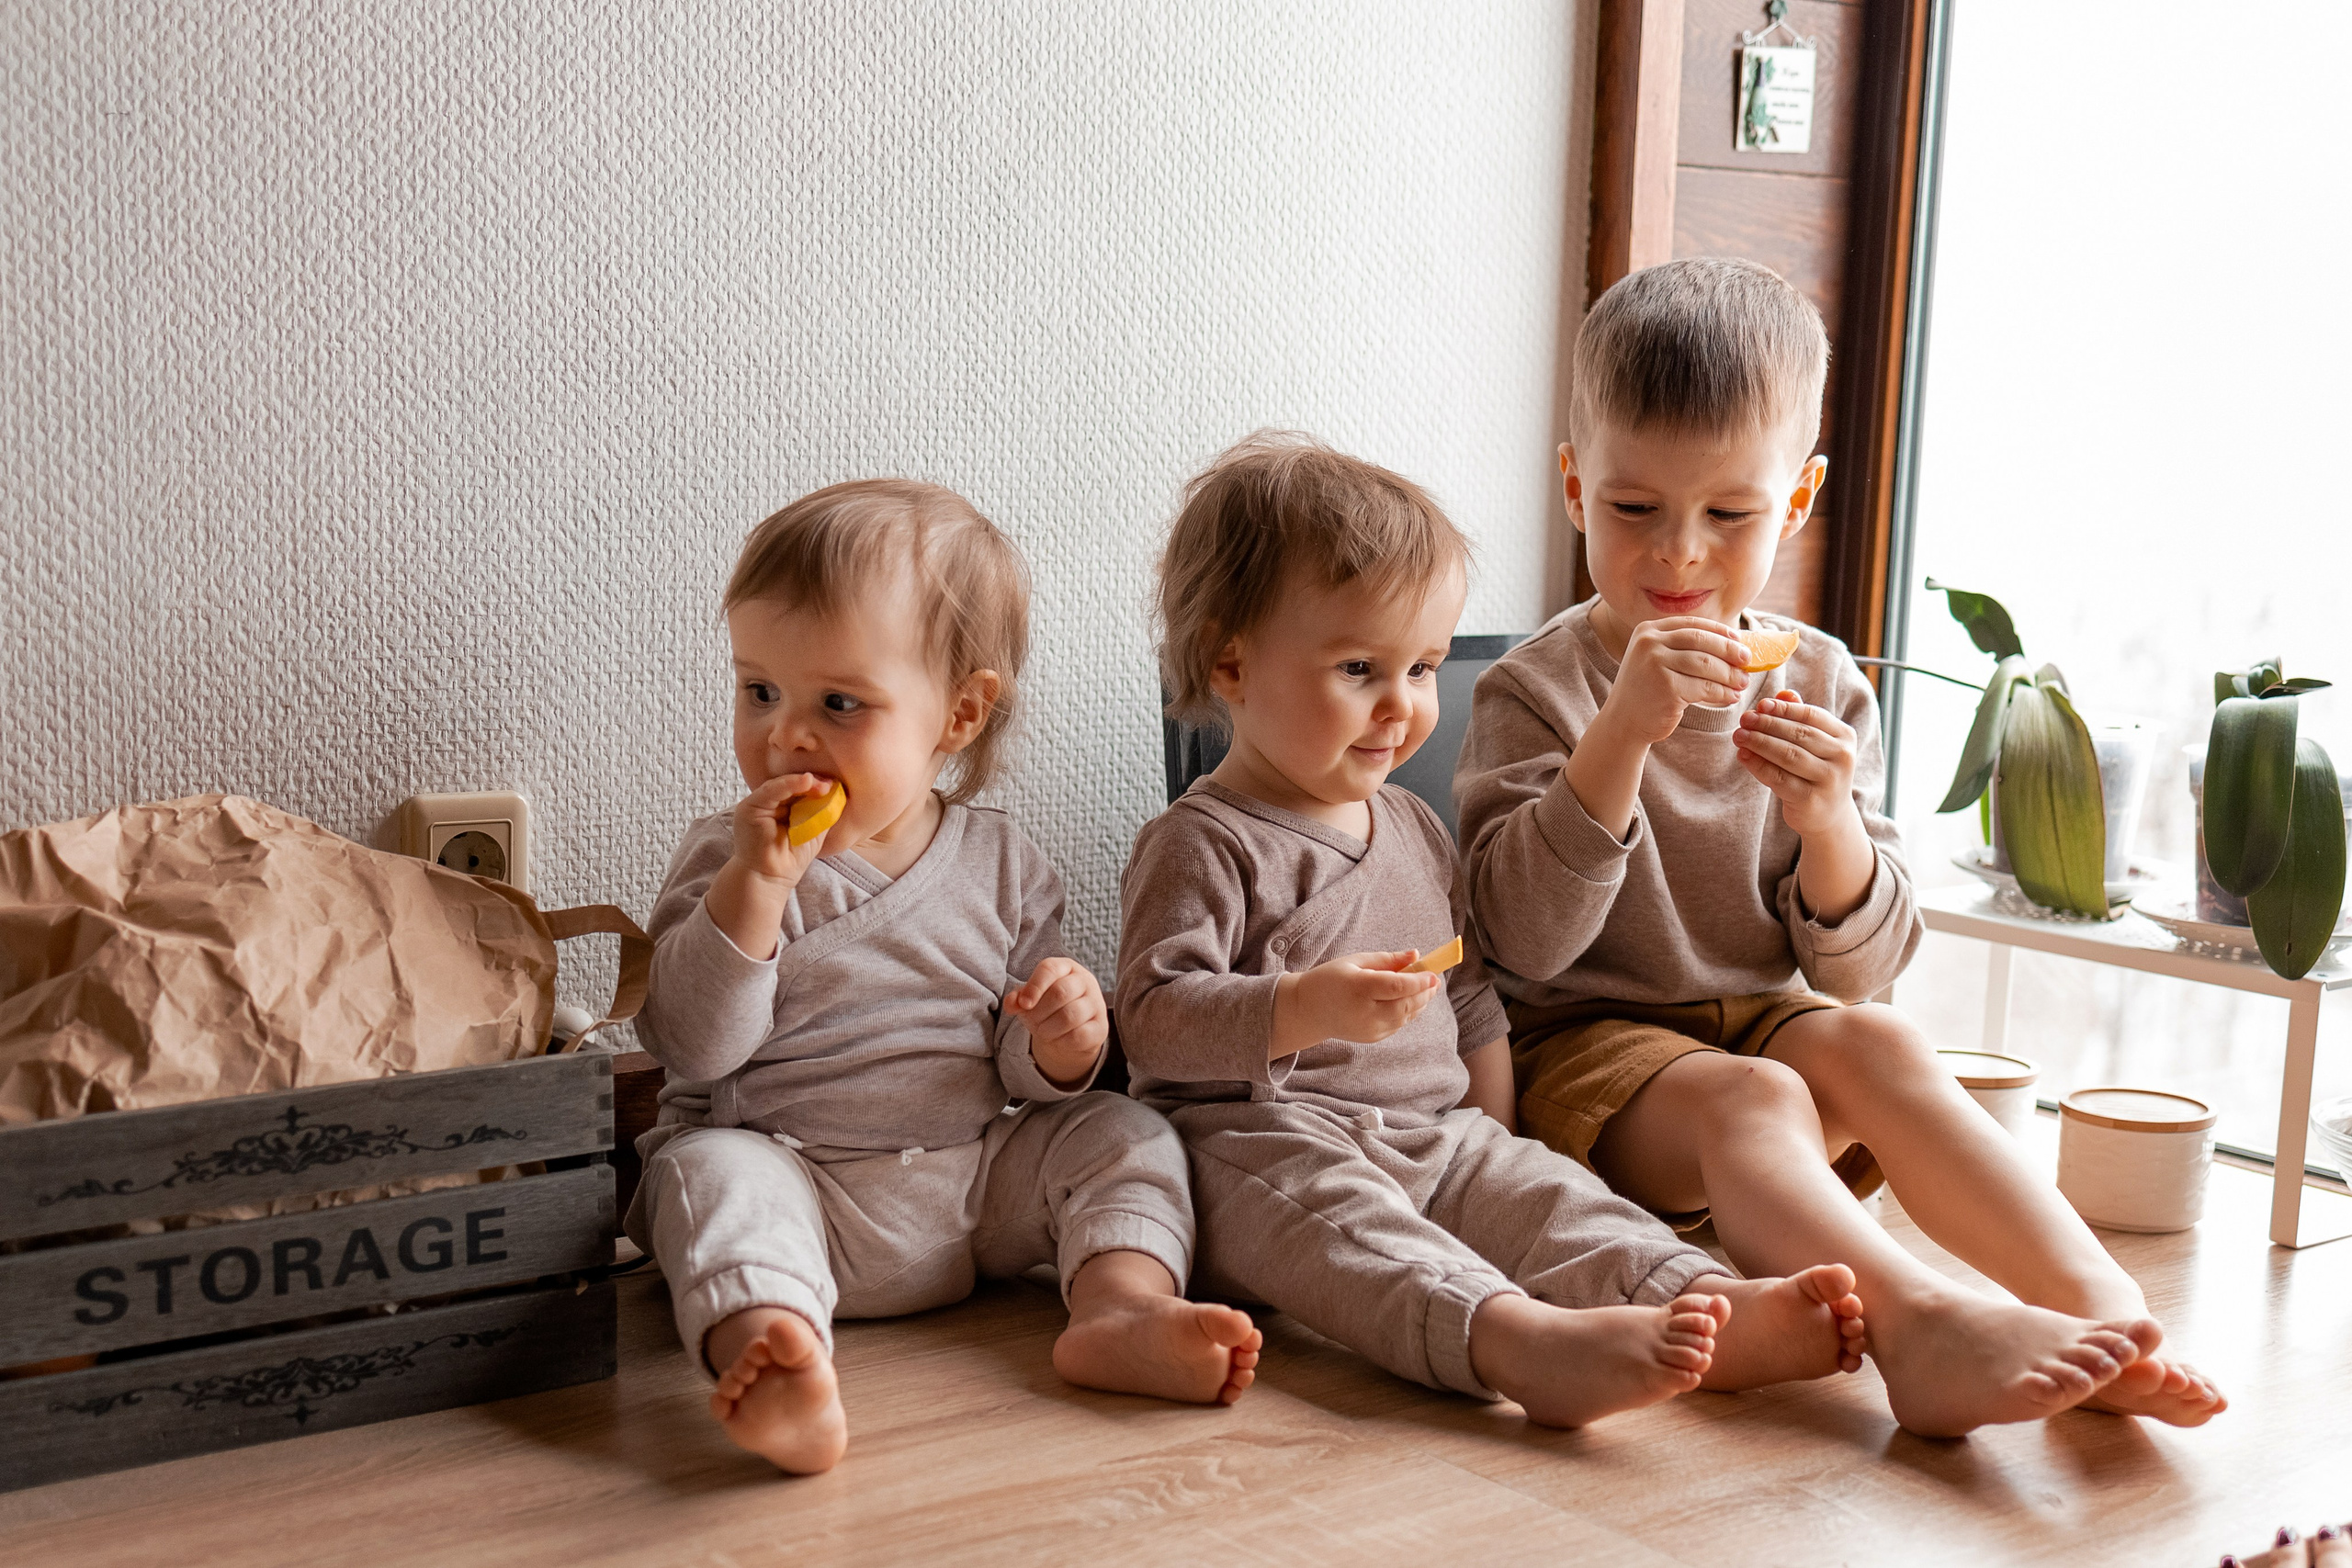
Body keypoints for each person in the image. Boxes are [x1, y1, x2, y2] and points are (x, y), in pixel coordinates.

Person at [1453, 256, 2220, 1437]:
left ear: (1797, 501)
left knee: (1885, 1045)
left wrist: (1827, 824)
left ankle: (2102, 1312)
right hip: (1584, 1058)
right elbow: (1521, 943)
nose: (1678, 557)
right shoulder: (1536, 692)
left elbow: (1856, 969)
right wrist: (1617, 741)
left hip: (1763, 1024)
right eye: (1633, 509)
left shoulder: (1818, 679)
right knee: (1756, 1092)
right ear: (1572, 486)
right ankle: (1919, 1329)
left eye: (1730, 514)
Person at [1114, 432, 1867, 1429]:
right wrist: (1299, 1007)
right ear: (1231, 663)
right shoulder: (1201, 842)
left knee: (1551, 1199)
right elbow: (1154, 1021)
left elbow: (1470, 1000)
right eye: (1358, 669)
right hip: (1257, 1141)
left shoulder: (1414, 828)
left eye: (1422, 668)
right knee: (1354, 1230)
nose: (1402, 707)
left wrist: (1499, 1142)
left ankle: (1702, 1302)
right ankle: (1517, 1343)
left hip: (1436, 1130)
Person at [628, 480, 1260, 1474]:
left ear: (958, 713)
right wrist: (754, 889)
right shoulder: (727, 858)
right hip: (800, 1179)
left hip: (970, 1184)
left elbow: (1014, 1072)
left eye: (838, 703)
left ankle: (1120, 1307)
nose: (785, 735)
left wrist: (1062, 1043)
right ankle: (770, 1348)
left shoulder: (1005, 867)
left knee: (1121, 1131)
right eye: (759, 691)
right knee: (704, 1178)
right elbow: (692, 1044)